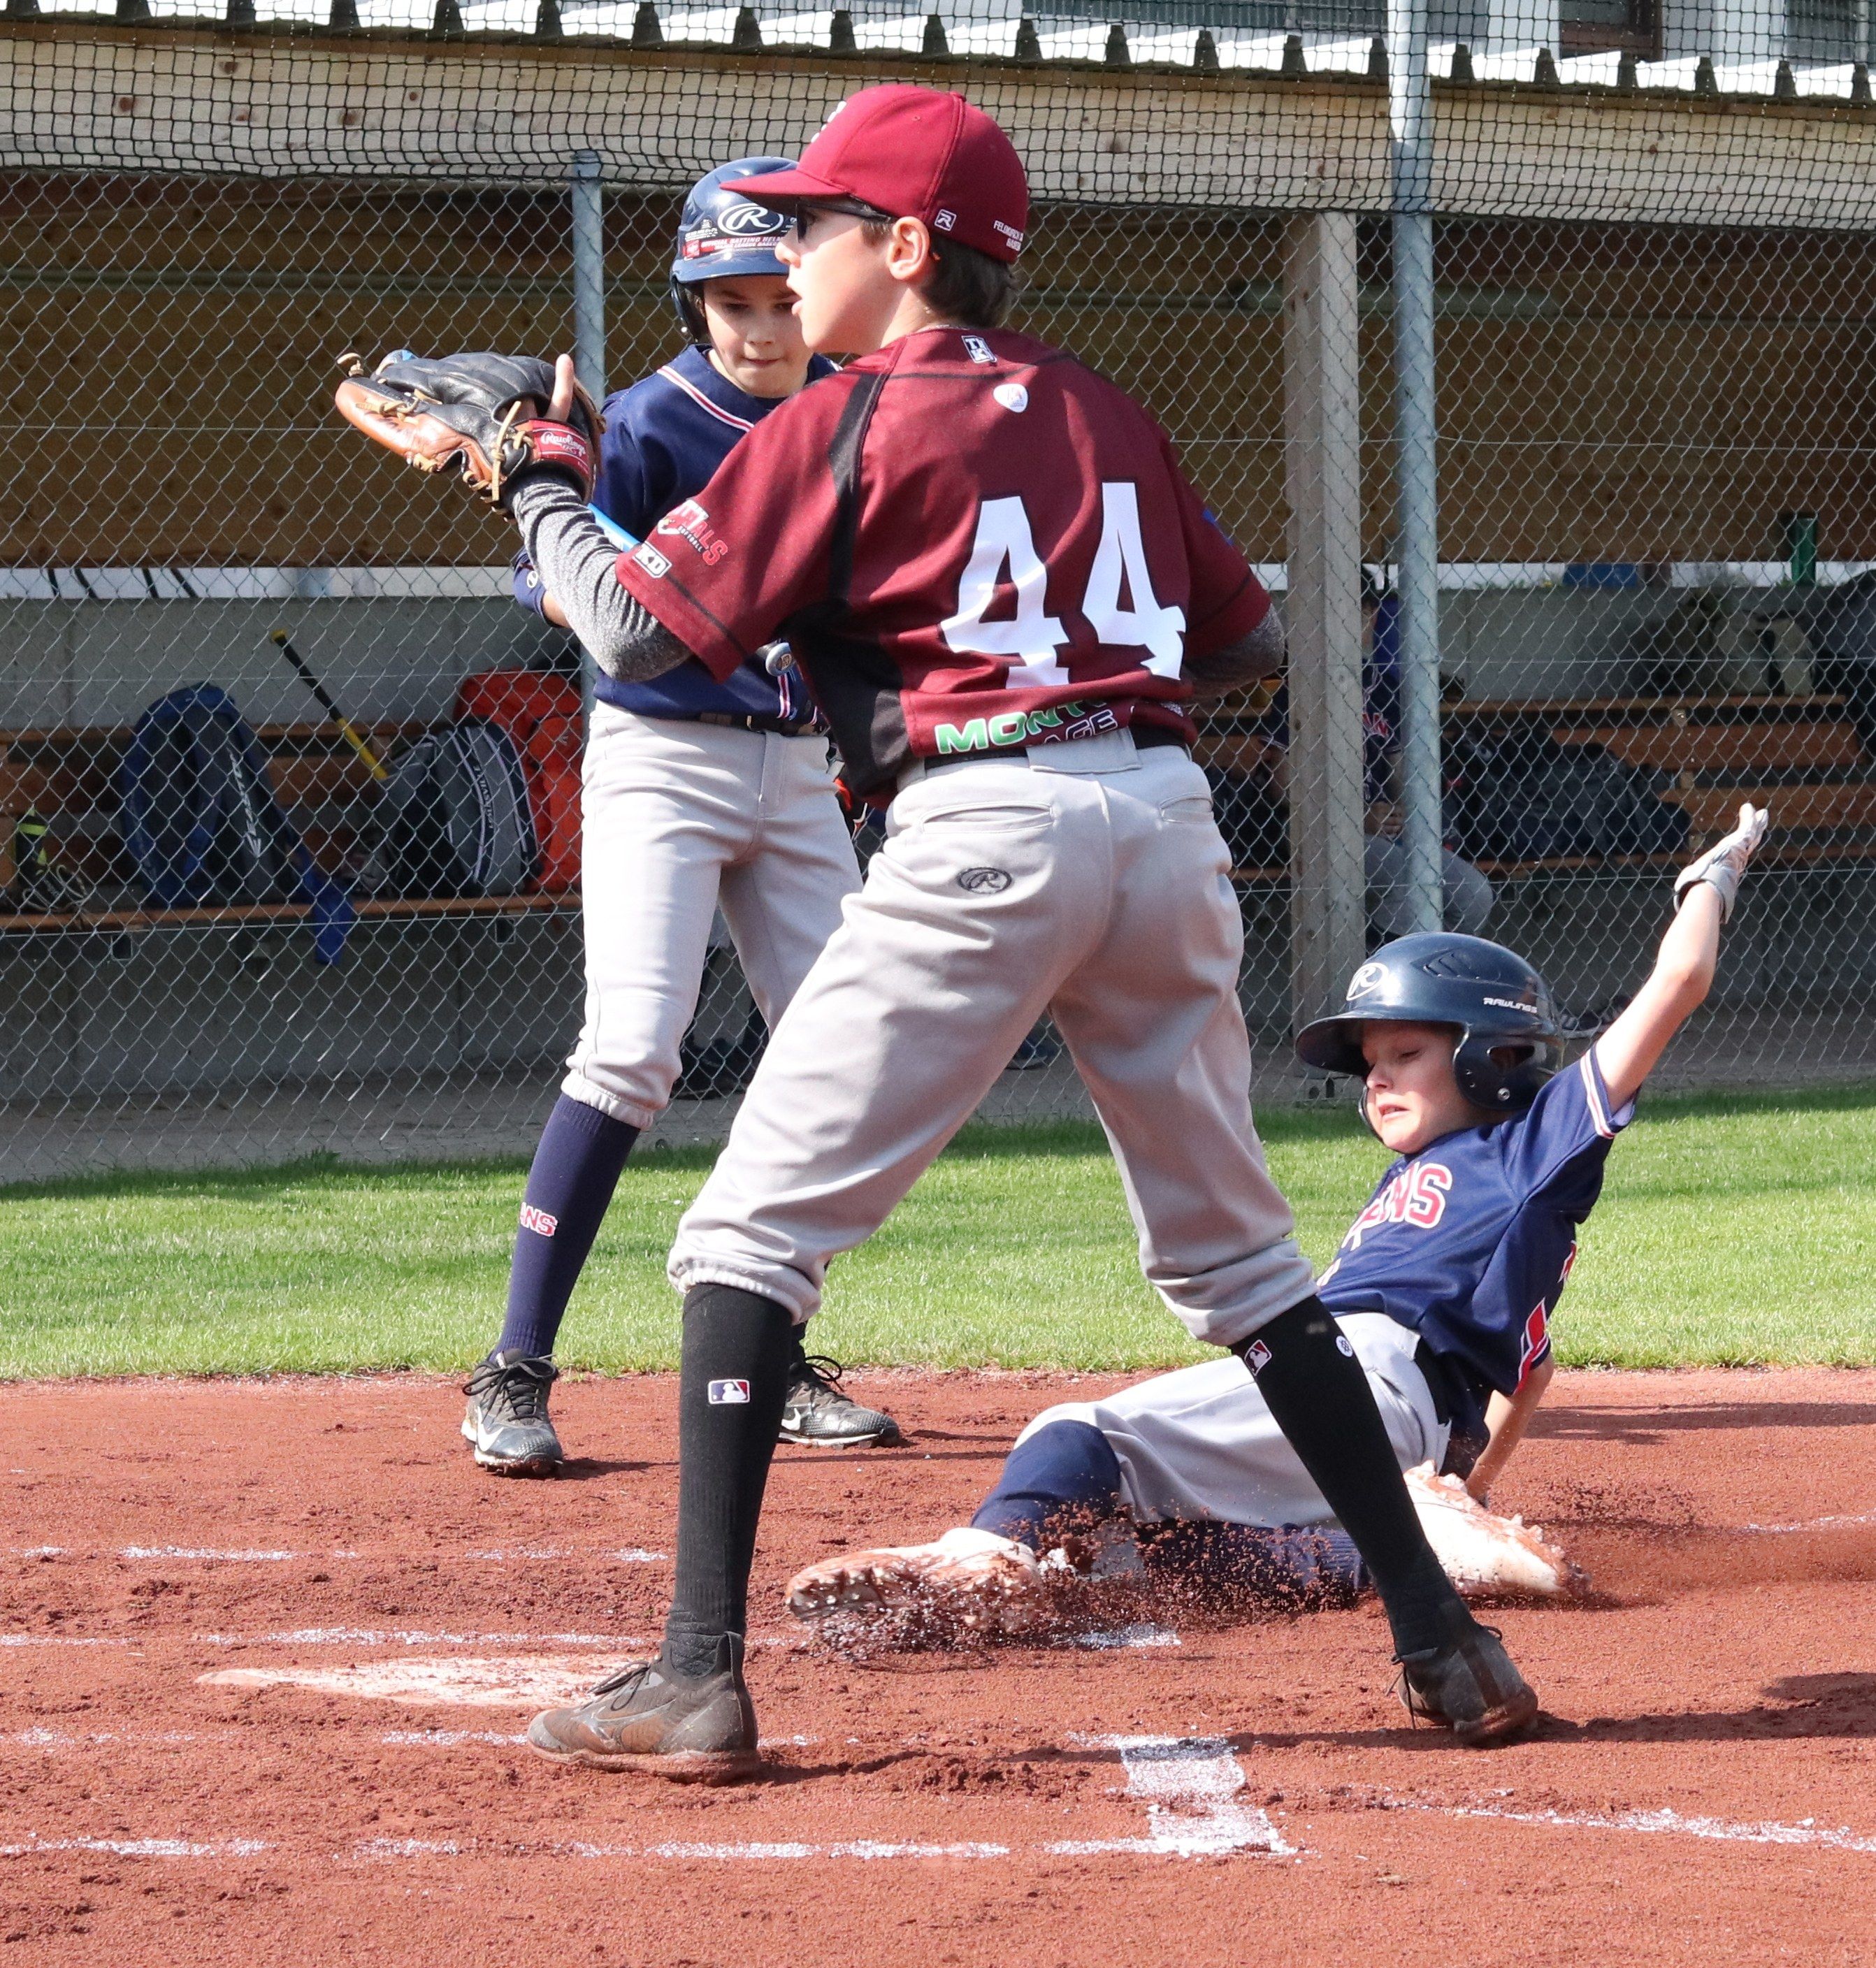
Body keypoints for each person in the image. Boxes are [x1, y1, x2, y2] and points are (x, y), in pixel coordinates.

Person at [338, 84, 1544, 1769]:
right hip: (1163, 826)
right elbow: (1243, 641)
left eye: (815, 228)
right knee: (1244, 1267)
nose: (786, 257)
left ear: (904, 248)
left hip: (984, 824)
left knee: (741, 1241)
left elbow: (629, 632)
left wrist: (538, 477)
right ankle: (1441, 1641)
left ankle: (693, 1676)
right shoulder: (1101, 405)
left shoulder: (840, 421)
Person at [785, 806, 1768, 1646]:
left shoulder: (1531, 1143)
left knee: (1078, 1433)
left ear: (1495, 1055)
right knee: (1139, 1547)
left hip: (1367, 1372)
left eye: (1406, 1053)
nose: (1377, 1077)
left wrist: (1708, 881)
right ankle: (1396, 1546)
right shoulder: (1437, 1177)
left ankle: (977, 1558)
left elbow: (1675, 986)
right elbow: (1532, 1367)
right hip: (1379, 1403)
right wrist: (1459, 1485)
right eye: (1371, 1062)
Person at [459, 159, 902, 1477]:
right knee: (633, 1052)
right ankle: (513, 1368)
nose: (761, 328)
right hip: (662, 754)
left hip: (800, 769)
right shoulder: (653, 421)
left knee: (839, 1060)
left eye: (781, 298)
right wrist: (592, 555)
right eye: (731, 303)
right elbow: (550, 581)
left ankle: (766, 1349)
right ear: (692, 305)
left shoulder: (854, 410)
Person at [1206, 576, 1494, 936]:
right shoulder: (1301, 688)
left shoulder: (1386, 689)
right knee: (1404, 882)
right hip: (1315, 830)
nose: (1340, 624)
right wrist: (1357, 818)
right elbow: (1284, 786)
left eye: (1353, 612)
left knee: (1474, 894)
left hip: (1382, 829)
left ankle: (1417, 961)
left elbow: (1400, 774)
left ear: (1370, 617)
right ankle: (1382, 966)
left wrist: (1406, 814)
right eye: (1329, 613)